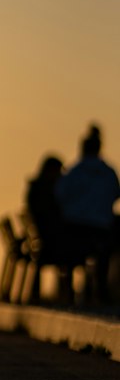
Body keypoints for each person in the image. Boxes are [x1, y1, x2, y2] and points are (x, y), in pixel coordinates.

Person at [55, 125, 120, 306]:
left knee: (69, 256)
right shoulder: (109, 173)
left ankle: (67, 292)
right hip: (101, 229)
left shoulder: (73, 172)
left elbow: (60, 195)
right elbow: (116, 194)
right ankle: (100, 293)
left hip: (74, 228)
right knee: (102, 255)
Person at [23, 154, 64, 301]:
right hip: (44, 240)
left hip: (39, 238)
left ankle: (37, 296)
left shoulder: (35, 188)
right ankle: (64, 296)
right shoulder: (46, 191)